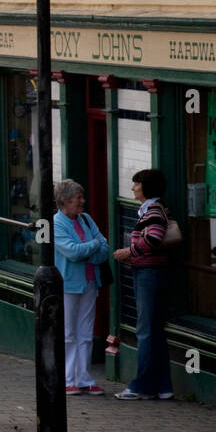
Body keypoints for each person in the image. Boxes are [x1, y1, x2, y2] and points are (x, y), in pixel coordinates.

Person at [113, 168, 175, 400]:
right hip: (152, 273)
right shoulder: (152, 210)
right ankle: (163, 386)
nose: (132, 188)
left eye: (136, 184)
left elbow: (154, 238)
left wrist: (128, 251)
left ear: (146, 187)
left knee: (146, 330)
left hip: (149, 274)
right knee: (155, 330)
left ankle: (142, 386)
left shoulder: (153, 210)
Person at [53, 180, 109, 396]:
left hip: (90, 281)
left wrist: (92, 248)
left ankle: (84, 378)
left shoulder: (85, 219)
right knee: (68, 332)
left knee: (86, 332)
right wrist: (93, 245)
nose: (82, 202)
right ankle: (68, 379)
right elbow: (73, 252)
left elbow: (105, 248)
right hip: (68, 284)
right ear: (65, 200)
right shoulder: (56, 223)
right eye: (79, 198)